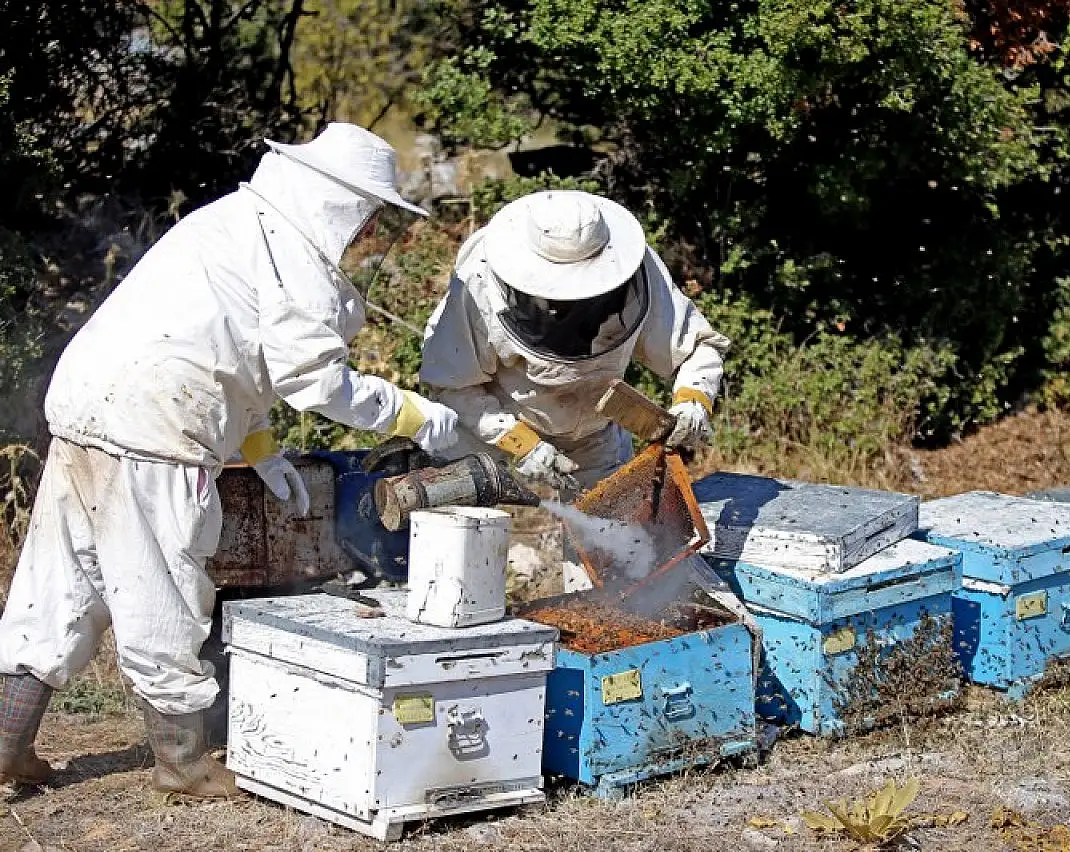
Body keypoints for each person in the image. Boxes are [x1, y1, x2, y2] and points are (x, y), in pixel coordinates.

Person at [0, 123, 458, 796]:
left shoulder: (229, 225)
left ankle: (7, 748)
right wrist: (416, 415)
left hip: (84, 402)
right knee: (165, 591)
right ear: (342, 202)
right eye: (368, 214)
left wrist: (262, 450)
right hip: (157, 422)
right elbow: (315, 381)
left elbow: (226, 351)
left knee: (59, 582)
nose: (368, 232)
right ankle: (184, 766)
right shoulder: (295, 257)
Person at [419, 188, 729, 499]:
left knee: (609, 540)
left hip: (595, 436)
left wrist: (694, 399)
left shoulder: (634, 265)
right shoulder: (479, 282)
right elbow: (453, 385)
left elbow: (698, 347)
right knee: (467, 532)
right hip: (490, 426)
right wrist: (519, 441)